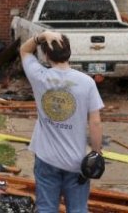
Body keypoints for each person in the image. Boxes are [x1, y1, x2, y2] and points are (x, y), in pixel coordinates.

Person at [20, 30, 104, 213]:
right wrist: (96, 155)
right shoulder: (86, 82)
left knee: (46, 208)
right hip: (76, 163)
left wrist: (41, 36)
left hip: (46, 158)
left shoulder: (39, 76)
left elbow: (25, 51)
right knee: (78, 209)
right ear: (69, 52)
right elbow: (95, 122)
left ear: (46, 55)